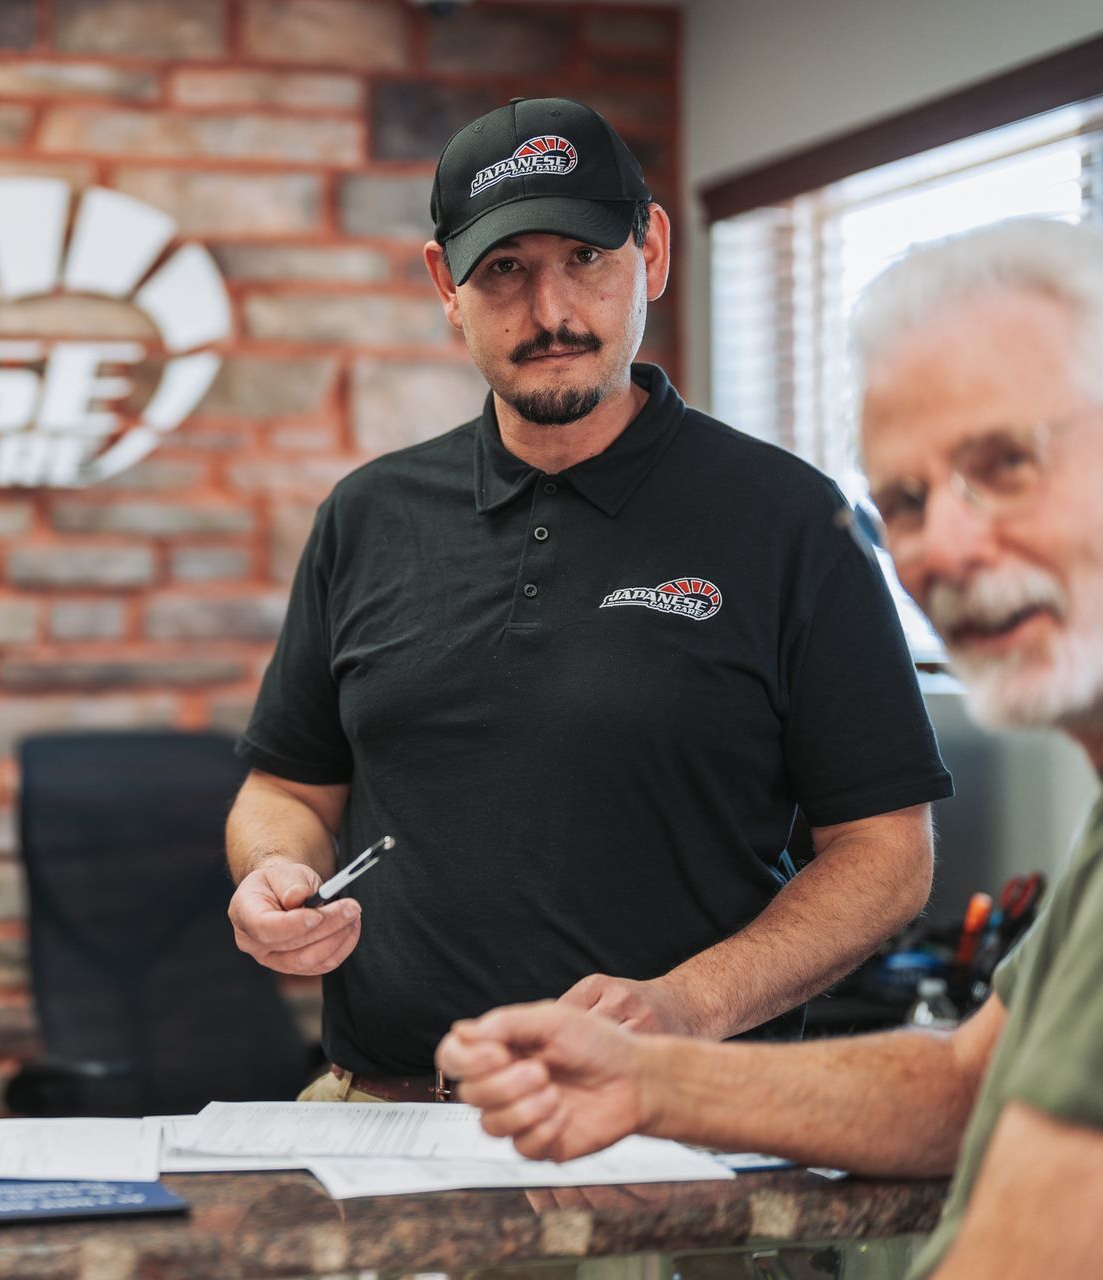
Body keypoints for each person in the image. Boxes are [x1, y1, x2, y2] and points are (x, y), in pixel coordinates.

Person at [226, 96, 952, 1102]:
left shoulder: (789, 519)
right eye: (505, 271)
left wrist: (684, 1008)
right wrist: (272, 871)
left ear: (649, 251)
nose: (553, 312)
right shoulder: (367, 516)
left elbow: (886, 854)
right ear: (446, 285)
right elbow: (291, 791)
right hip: (382, 1114)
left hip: (681, 1120)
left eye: (585, 258)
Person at [437, 217, 1103, 1278]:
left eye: (1008, 462)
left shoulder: (769, 515)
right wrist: (651, 1078)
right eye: (907, 502)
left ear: (647, 257)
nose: (947, 546)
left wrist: (687, 1011)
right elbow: (973, 1083)